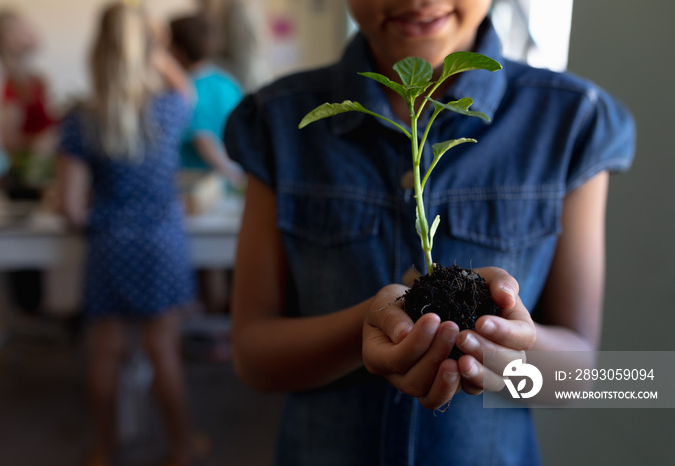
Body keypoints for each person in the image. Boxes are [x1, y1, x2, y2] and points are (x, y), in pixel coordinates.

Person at [224, 1, 636, 465]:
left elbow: (581, 377)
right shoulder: (275, 120)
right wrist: (366, 328)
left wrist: (498, 346)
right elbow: (253, 356)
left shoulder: (571, 121)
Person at [56, 3, 206, 465]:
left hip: (110, 243)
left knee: (106, 352)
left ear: (99, 50)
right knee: (163, 350)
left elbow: (72, 208)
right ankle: (180, 446)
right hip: (161, 240)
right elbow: (188, 90)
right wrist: (157, 49)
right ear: (150, 49)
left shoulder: (81, 119)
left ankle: (106, 446)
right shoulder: (167, 108)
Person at [0, 6, 56, 200]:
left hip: (45, 169)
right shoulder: (11, 89)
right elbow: (9, 143)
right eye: (23, 28)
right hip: (28, 177)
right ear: (7, 40)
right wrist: (44, 138)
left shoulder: (37, 81)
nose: (32, 31)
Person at [169, 12, 245, 189]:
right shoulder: (228, 83)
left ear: (178, 51)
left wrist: (230, 175)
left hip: (197, 186)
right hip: (227, 185)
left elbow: (203, 141)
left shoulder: (185, 91)